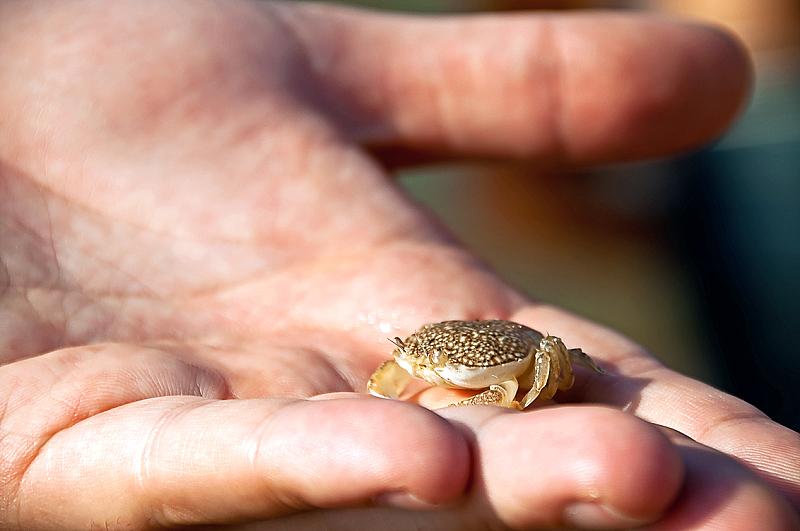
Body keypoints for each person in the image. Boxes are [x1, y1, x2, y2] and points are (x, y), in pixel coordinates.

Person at [0, 1, 797, 529]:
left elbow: (546, 363)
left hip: (530, 341)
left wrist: (532, 389)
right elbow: (399, 371)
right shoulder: (419, 354)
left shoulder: (530, 349)